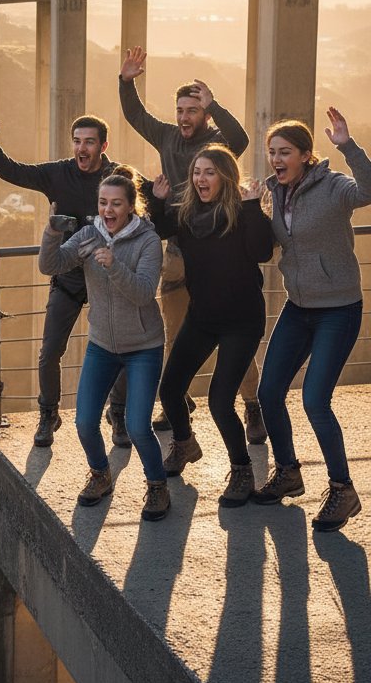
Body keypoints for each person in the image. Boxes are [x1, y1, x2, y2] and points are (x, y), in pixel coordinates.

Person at [117, 46, 264, 441]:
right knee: (177, 328)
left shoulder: (217, 140)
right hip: (181, 250)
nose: (184, 117)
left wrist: (215, 106)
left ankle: (252, 406)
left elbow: (241, 137)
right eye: (181, 110)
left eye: (192, 111)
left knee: (232, 335)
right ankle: (177, 401)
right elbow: (135, 116)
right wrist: (126, 81)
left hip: (219, 247)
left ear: (203, 115)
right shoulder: (166, 135)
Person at [252, 109, 371, 532]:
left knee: (315, 400)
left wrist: (347, 145)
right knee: (268, 393)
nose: (276, 159)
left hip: (338, 308)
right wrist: (250, 208)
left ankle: (343, 489)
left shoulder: (334, 186)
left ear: (306, 155)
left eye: (285, 152)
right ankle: (288, 472)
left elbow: (369, 189)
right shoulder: (274, 193)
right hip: (298, 307)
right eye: (272, 153)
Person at [0, 111, 117, 447]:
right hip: (67, 275)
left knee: (119, 346)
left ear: (102, 146)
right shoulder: (58, 174)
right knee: (50, 351)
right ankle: (48, 414)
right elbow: (14, 171)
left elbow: (148, 197)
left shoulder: (117, 175)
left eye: (89, 142)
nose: (82, 148)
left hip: (106, 275)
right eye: (77, 141)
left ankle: (118, 414)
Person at [38, 167, 170, 521]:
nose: (108, 210)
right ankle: (100, 474)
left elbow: (143, 294)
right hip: (102, 344)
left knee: (139, 426)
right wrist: (51, 231)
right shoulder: (87, 234)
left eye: (116, 204)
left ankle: (157, 485)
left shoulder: (147, 242)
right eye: (102, 203)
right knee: (84, 422)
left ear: (131, 206)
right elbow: (49, 265)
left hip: (143, 345)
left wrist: (113, 265)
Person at [150, 146, 274, 507]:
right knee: (170, 390)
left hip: (241, 321)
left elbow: (261, 251)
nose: (201, 179)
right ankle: (185, 444)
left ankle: (241, 470)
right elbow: (160, 226)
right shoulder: (187, 214)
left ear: (225, 176)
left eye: (209, 172)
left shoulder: (242, 212)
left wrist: (252, 206)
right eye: (197, 172)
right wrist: (158, 200)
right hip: (202, 318)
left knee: (221, 401)